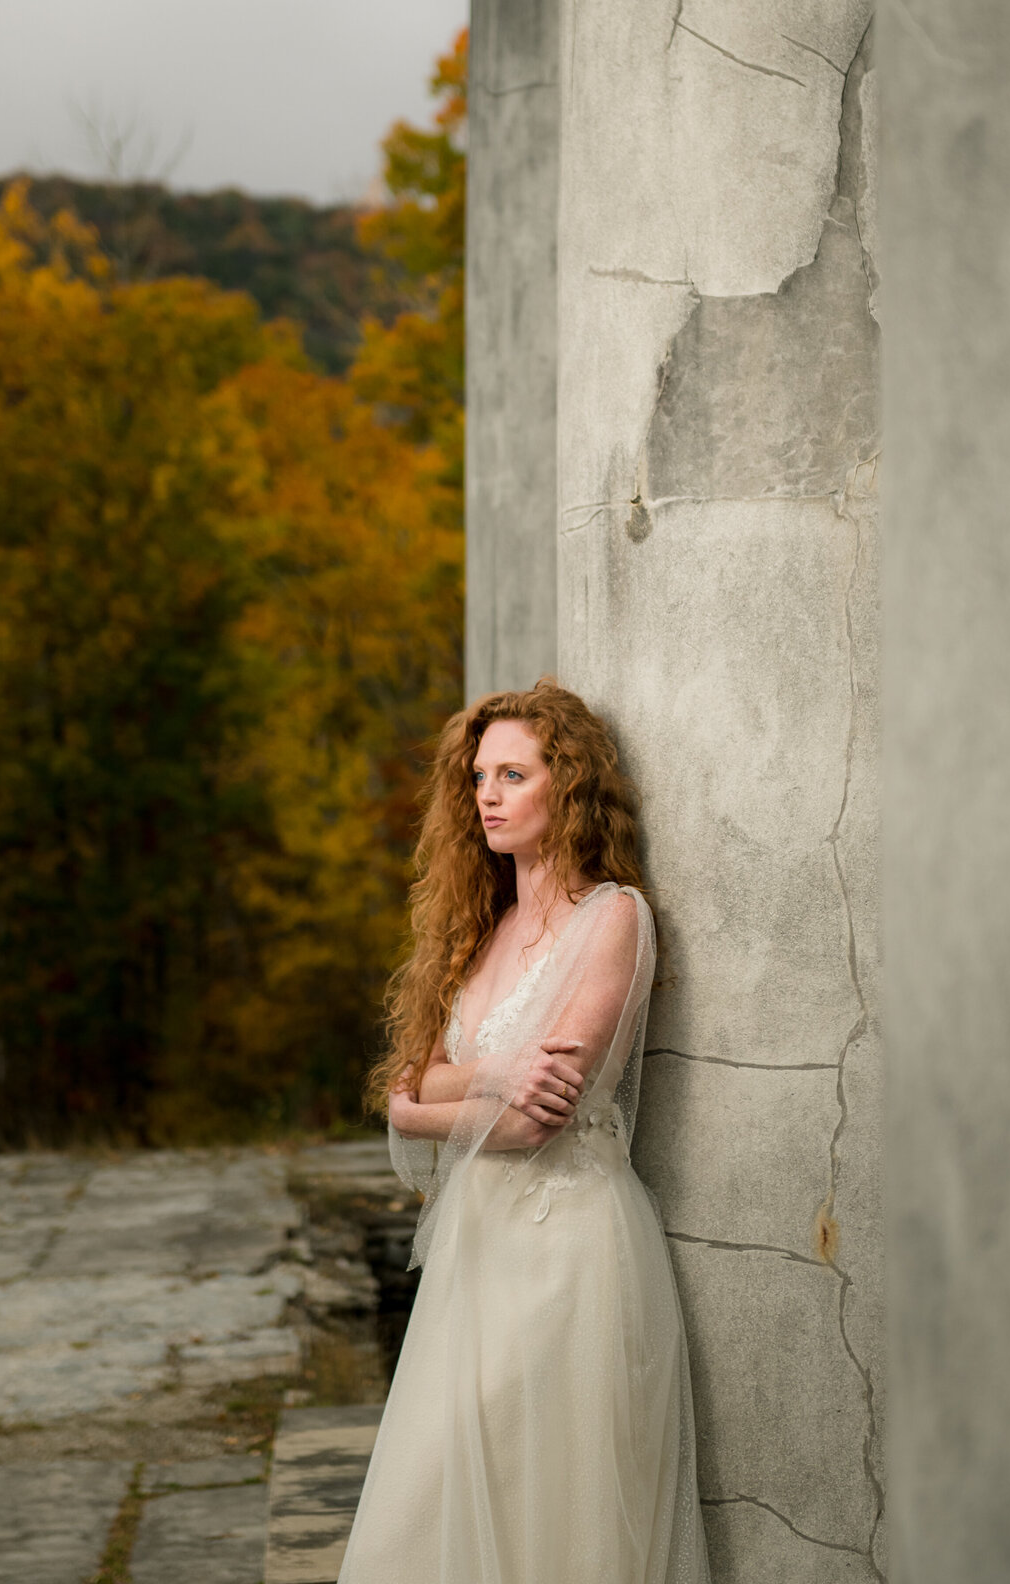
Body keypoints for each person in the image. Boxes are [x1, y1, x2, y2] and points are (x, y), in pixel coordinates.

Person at [338, 678, 711, 1584]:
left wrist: (435, 1099)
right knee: (433, 1503)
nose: (489, 796)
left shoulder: (613, 918)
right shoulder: (483, 926)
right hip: (478, 1251)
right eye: (478, 778)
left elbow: (537, 1123)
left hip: (567, 1252)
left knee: (553, 1509)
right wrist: (492, 1074)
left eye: (514, 773)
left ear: (570, 787)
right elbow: (403, 1090)